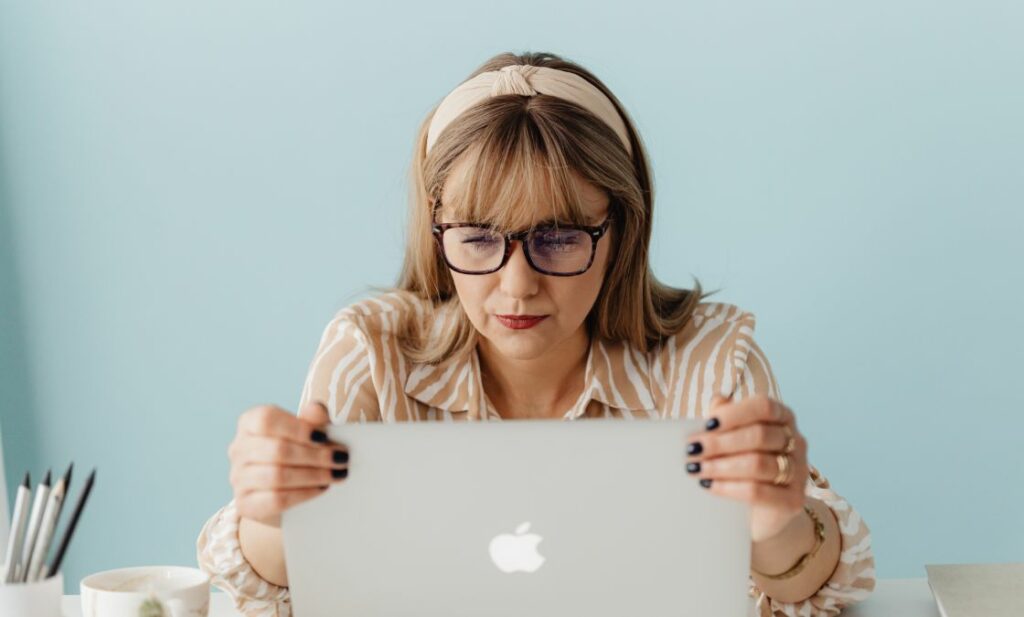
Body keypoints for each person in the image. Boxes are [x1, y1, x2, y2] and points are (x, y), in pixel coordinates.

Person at [196, 51, 875, 617]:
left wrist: (775, 523)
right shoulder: (369, 353)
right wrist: (270, 512)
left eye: (557, 236)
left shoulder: (711, 360)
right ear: (438, 235)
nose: (517, 285)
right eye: (479, 237)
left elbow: (810, 591)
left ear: (620, 233)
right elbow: (286, 589)